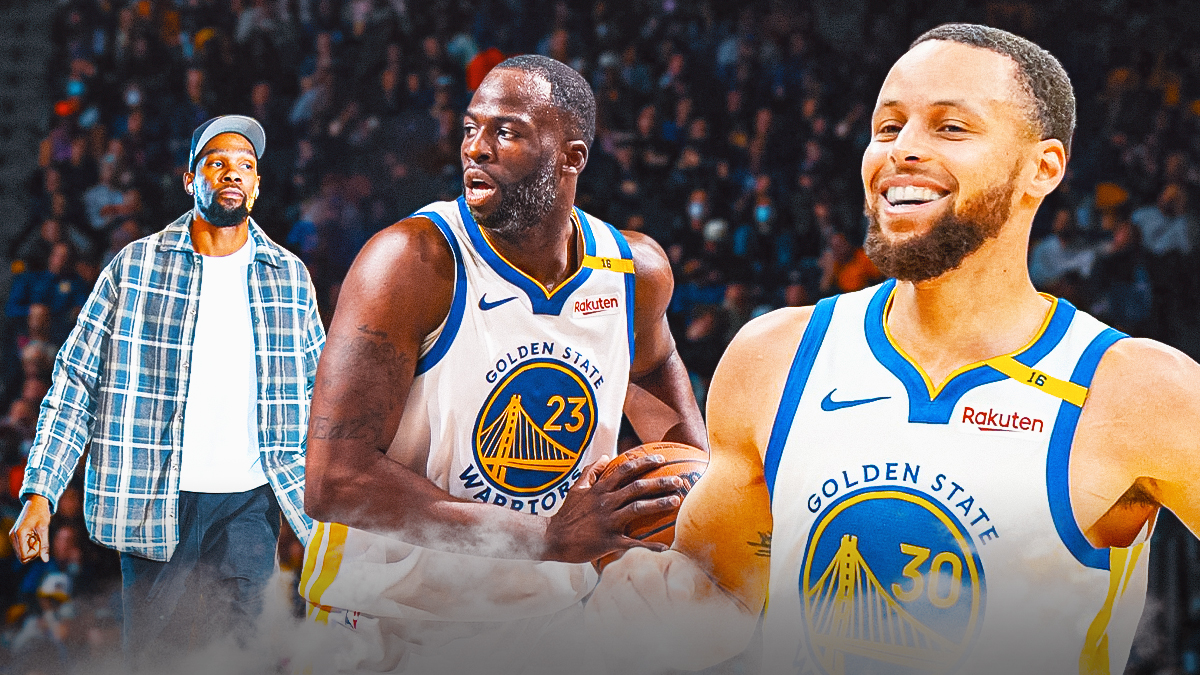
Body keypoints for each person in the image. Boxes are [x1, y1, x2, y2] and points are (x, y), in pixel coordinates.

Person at [588, 23, 1200, 675]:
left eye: (950, 127)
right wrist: (585, 582)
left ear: (1041, 168)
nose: (902, 150)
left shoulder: (1138, 392)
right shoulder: (775, 356)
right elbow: (712, 594)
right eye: (888, 126)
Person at [297, 54, 706, 673]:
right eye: (469, 129)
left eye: (506, 132)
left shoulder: (632, 272)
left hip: (549, 617)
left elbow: (662, 390)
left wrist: (694, 492)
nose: (476, 149)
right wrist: (545, 537)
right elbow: (335, 483)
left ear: (572, 157)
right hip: (388, 621)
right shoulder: (408, 263)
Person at [8, 115, 325, 668]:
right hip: (156, 505)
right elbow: (76, 380)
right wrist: (41, 492)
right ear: (189, 179)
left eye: (246, 166)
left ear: (257, 184)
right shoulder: (135, 267)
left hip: (250, 509)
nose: (233, 173)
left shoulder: (289, 277)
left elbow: (323, 397)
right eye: (218, 162)